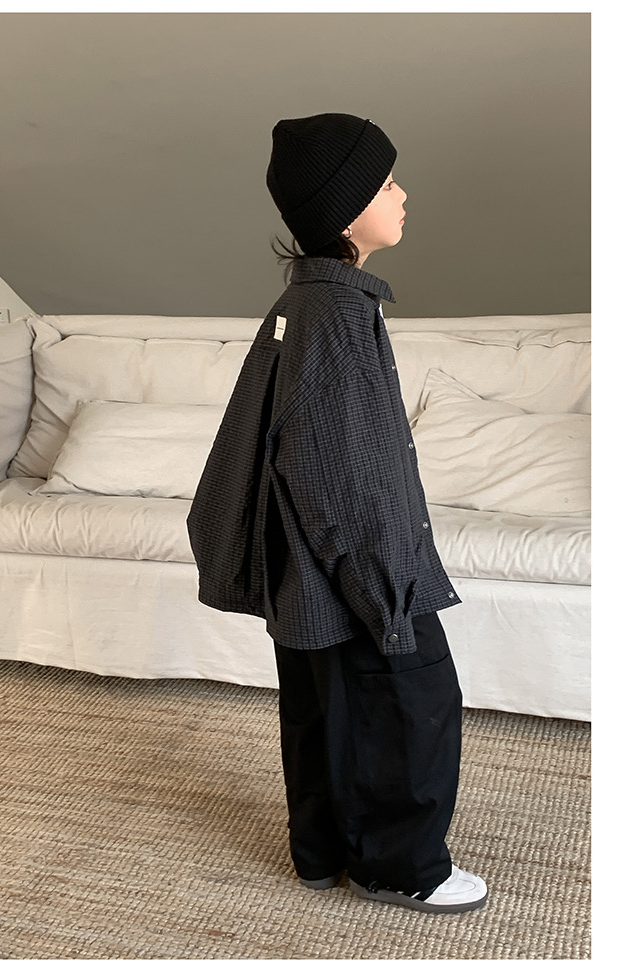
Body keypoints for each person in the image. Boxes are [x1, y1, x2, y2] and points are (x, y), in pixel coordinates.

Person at [187, 112, 488, 914]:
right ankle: (403, 868)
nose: (402, 194)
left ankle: (321, 854)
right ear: (345, 208)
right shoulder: (339, 317)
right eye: (385, 183)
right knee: (412, 706)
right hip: (358, 571)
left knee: (325, 708)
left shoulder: (306, 301)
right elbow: (341, 475)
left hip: (306, 575)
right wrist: (384, 592)